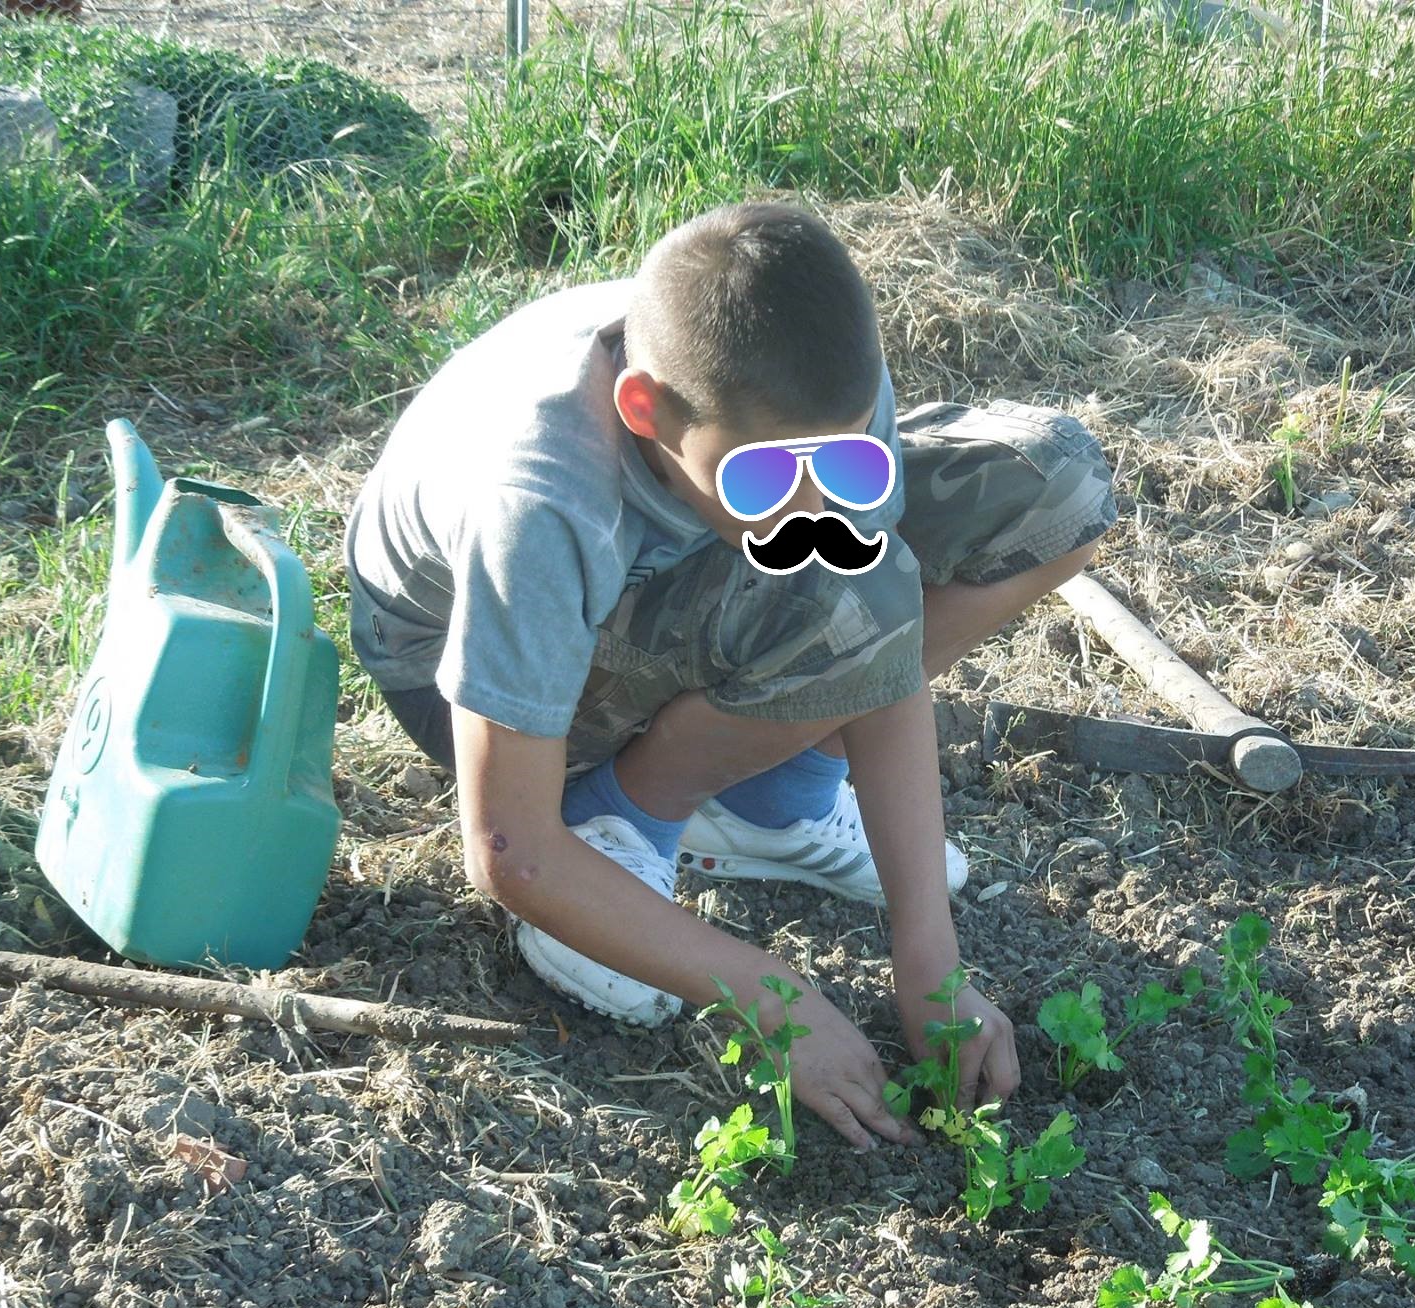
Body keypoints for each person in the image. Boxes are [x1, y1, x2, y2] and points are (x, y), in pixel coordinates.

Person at [344, 201, 1117, 1152]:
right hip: (457, 667)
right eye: (759, 481)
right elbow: (509, 849)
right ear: (645, 410)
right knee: (842, 590)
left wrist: (931, 957)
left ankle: (773, 801)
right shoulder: (542, 500)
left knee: (1059, 484)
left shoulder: (814, 390)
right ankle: (625, 817)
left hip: (660, 582)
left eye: (841, 463)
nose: (809, 505)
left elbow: (876, 625)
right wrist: (770, 996)